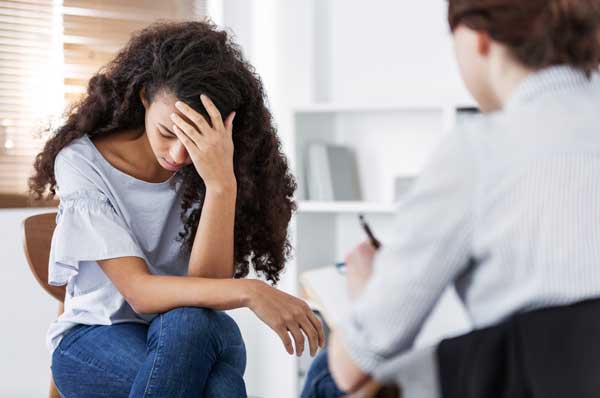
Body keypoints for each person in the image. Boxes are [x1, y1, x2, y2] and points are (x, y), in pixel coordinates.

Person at [301, 0, 600, 396]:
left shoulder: (480, 148)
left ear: (478, 39)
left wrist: (365, 289)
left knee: (328, 376)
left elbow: (354, 363)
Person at [29, 20, 325, 398]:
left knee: (188, 323)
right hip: (95, 338)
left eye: (193, 141)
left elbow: (207, 285)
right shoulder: (82, 162)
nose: (177, 155)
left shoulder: (211, 164)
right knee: (217, 388)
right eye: (168, 133)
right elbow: (138, 292)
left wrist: (220, 184)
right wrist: (251, 291)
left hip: (196, 331)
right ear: (144, 98)